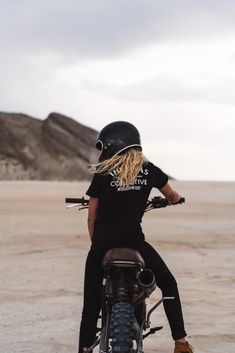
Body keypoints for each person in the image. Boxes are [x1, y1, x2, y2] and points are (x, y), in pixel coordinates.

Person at [78, 121, 195, 353]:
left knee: (90, 305)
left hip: (103, 246)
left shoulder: (102, 173)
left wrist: (98, 245)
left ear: (111, 144)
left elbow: (91, 218)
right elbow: (172, 195)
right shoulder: (149, 170)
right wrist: (173, 200)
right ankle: (181, 343)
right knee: (168, 284)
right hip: (134, 244)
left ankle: (84, 348)